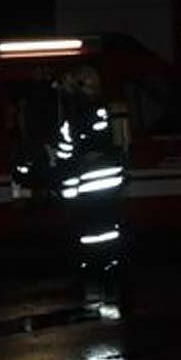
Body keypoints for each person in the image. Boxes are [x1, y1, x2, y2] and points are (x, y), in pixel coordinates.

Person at [51, 65, 125, 276]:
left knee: (93, 229)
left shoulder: (78, 117)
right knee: (106, 227)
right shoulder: (103, 111)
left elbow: (65, 156)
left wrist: (64, 190)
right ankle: (109, 263)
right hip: (109, 182)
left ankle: (96, 266)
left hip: (90, 184)